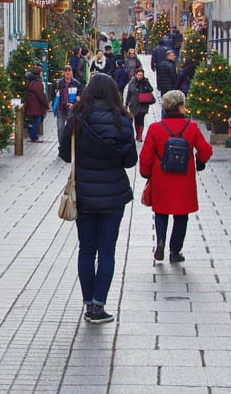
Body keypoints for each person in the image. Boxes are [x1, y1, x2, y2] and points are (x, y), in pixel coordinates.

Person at [60, 74, 138, 324]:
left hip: (84, 194)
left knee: (86, 249)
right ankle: (98, 305)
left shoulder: (77, 119)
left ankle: (87, 302)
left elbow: (64, 154)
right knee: (107, 251)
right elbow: (130, 160)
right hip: (113, 196)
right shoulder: (123, 121)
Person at [139, 90, 212, 263]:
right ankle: (175, 251)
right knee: (181, 215)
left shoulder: (156, 128)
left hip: (161, 177)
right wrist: (200, 161)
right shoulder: (192, 127)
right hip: (183, 179)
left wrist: (146, 173)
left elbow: (145, 155)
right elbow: (206, 150)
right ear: (180, 107)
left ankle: (161, 241)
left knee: (161, 213)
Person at [54, 65, 83, 142]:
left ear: (72, 72)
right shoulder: (58, 83)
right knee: (60, 128)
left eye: (69, 70)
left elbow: (80, 98)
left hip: (72, 109)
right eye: (66, 71)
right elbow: (54, 95)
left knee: (72, 129)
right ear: (63, 73)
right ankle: (61, 146)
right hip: (60, 109)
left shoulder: (77, 83)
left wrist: (73, 105)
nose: (68, 72)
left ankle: (70, 146)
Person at [124, 68, 154, 142]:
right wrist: (126, 103)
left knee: (141, 119)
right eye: (139, 75)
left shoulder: (145, 81)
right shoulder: (132, 82)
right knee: (136, 119)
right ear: (135, 75)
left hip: (143, 104)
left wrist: (145, 87)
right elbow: (129, 93)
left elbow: (151, 89)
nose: (140, 76)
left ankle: (139, 135)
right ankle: (137, 133)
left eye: (141, 75)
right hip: (134, 104)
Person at [24, 65, 50, 143]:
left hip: (32, 104)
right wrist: (46, 105)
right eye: (41, 72)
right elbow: (41, 95)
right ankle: (34, 136)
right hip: (36, 105)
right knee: (38, 120)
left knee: (38, 119)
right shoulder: (37, 83)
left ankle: (32, 132)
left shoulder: (31, 81)